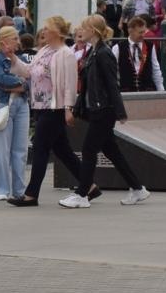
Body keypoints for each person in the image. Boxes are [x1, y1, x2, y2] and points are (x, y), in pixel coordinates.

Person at [60, 18, 149, 208]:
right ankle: (137, 188)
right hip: (98, 108)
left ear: (93, 30)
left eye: (84, 27)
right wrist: (78, 108)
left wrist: (119, 111)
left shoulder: (103, 53)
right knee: (111, 150)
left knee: (89, 149)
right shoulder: (95, 51)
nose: (80, 30)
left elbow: (111, 84)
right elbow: (88, 86)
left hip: (104, 110)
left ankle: (82, 194)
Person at [9, 16, 82, 207]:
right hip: (40, 106)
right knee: (62, 150)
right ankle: (88, 184)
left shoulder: (65, 53)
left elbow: (69, 84)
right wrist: (13, 58)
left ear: (57, 32)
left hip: (54, 107)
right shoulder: (44, 51)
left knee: (40, 147)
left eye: (48, 29)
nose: (43, 32)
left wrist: (68, 108)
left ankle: (31, 194)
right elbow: (28, 72)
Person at [0, 25, 30, 202]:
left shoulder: (18, 59)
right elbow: (0, 80)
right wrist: (20, 82)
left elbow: (30, 77)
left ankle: (19, 189)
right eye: (14, 39)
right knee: (2, 149)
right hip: (4, 104)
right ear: (4, 41)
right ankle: (2, 188)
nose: (18, 42)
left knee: (20, 149)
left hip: (21, 104)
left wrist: (20, 83)